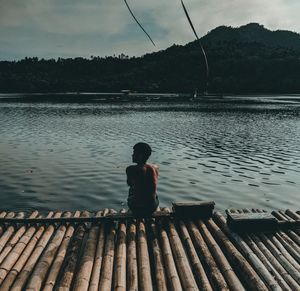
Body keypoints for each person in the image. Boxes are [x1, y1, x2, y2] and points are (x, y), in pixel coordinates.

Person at [126, 142, 159, 217]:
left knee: (132, 189)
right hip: (152, 208)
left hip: (137, 209)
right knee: (153, 191)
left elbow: (129, 183)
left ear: (140, 156)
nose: (132, 155)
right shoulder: (156, 167)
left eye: (134, 153)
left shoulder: (130, 169)